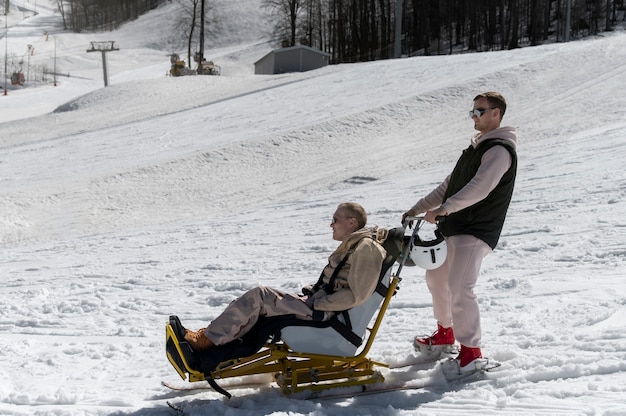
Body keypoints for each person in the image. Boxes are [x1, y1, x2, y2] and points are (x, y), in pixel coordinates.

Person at [402, 92, 517, 370]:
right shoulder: (475, 149)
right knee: (437, 278)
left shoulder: (499, 150)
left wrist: (445, 208)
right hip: (455, 227)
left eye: (480, 111)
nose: (474, 116)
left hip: (476, 229)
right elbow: (448, 186)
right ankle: (445, 335)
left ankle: (472, 353)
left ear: (496, 114)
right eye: (472, 112)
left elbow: (481, 188)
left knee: (460, 287)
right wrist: (417, 208)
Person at [182, 202, 387, 353]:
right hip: (321, 305)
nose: (331, 224)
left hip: (327, 314)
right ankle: (214, 336)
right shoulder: (356, 245)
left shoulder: (366, 248)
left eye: (335, 220)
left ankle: (207, 341)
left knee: (260, 296)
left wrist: (318, 303)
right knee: (262, 300)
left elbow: (357, 296)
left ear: (352, 222)